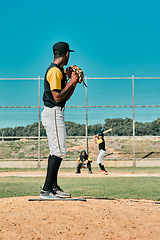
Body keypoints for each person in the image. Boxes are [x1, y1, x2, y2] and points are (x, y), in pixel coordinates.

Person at [39, 41, 79, 199]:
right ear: (67, 54)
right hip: (53, 113)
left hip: (55, 112)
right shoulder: (55, 71)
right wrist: (71, 81)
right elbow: (56, 97)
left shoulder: (59, 71)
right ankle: (46, 190)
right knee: (59, 151)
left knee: (56, 150)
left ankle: (54, 188)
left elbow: (64, 97)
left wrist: (73, 83)